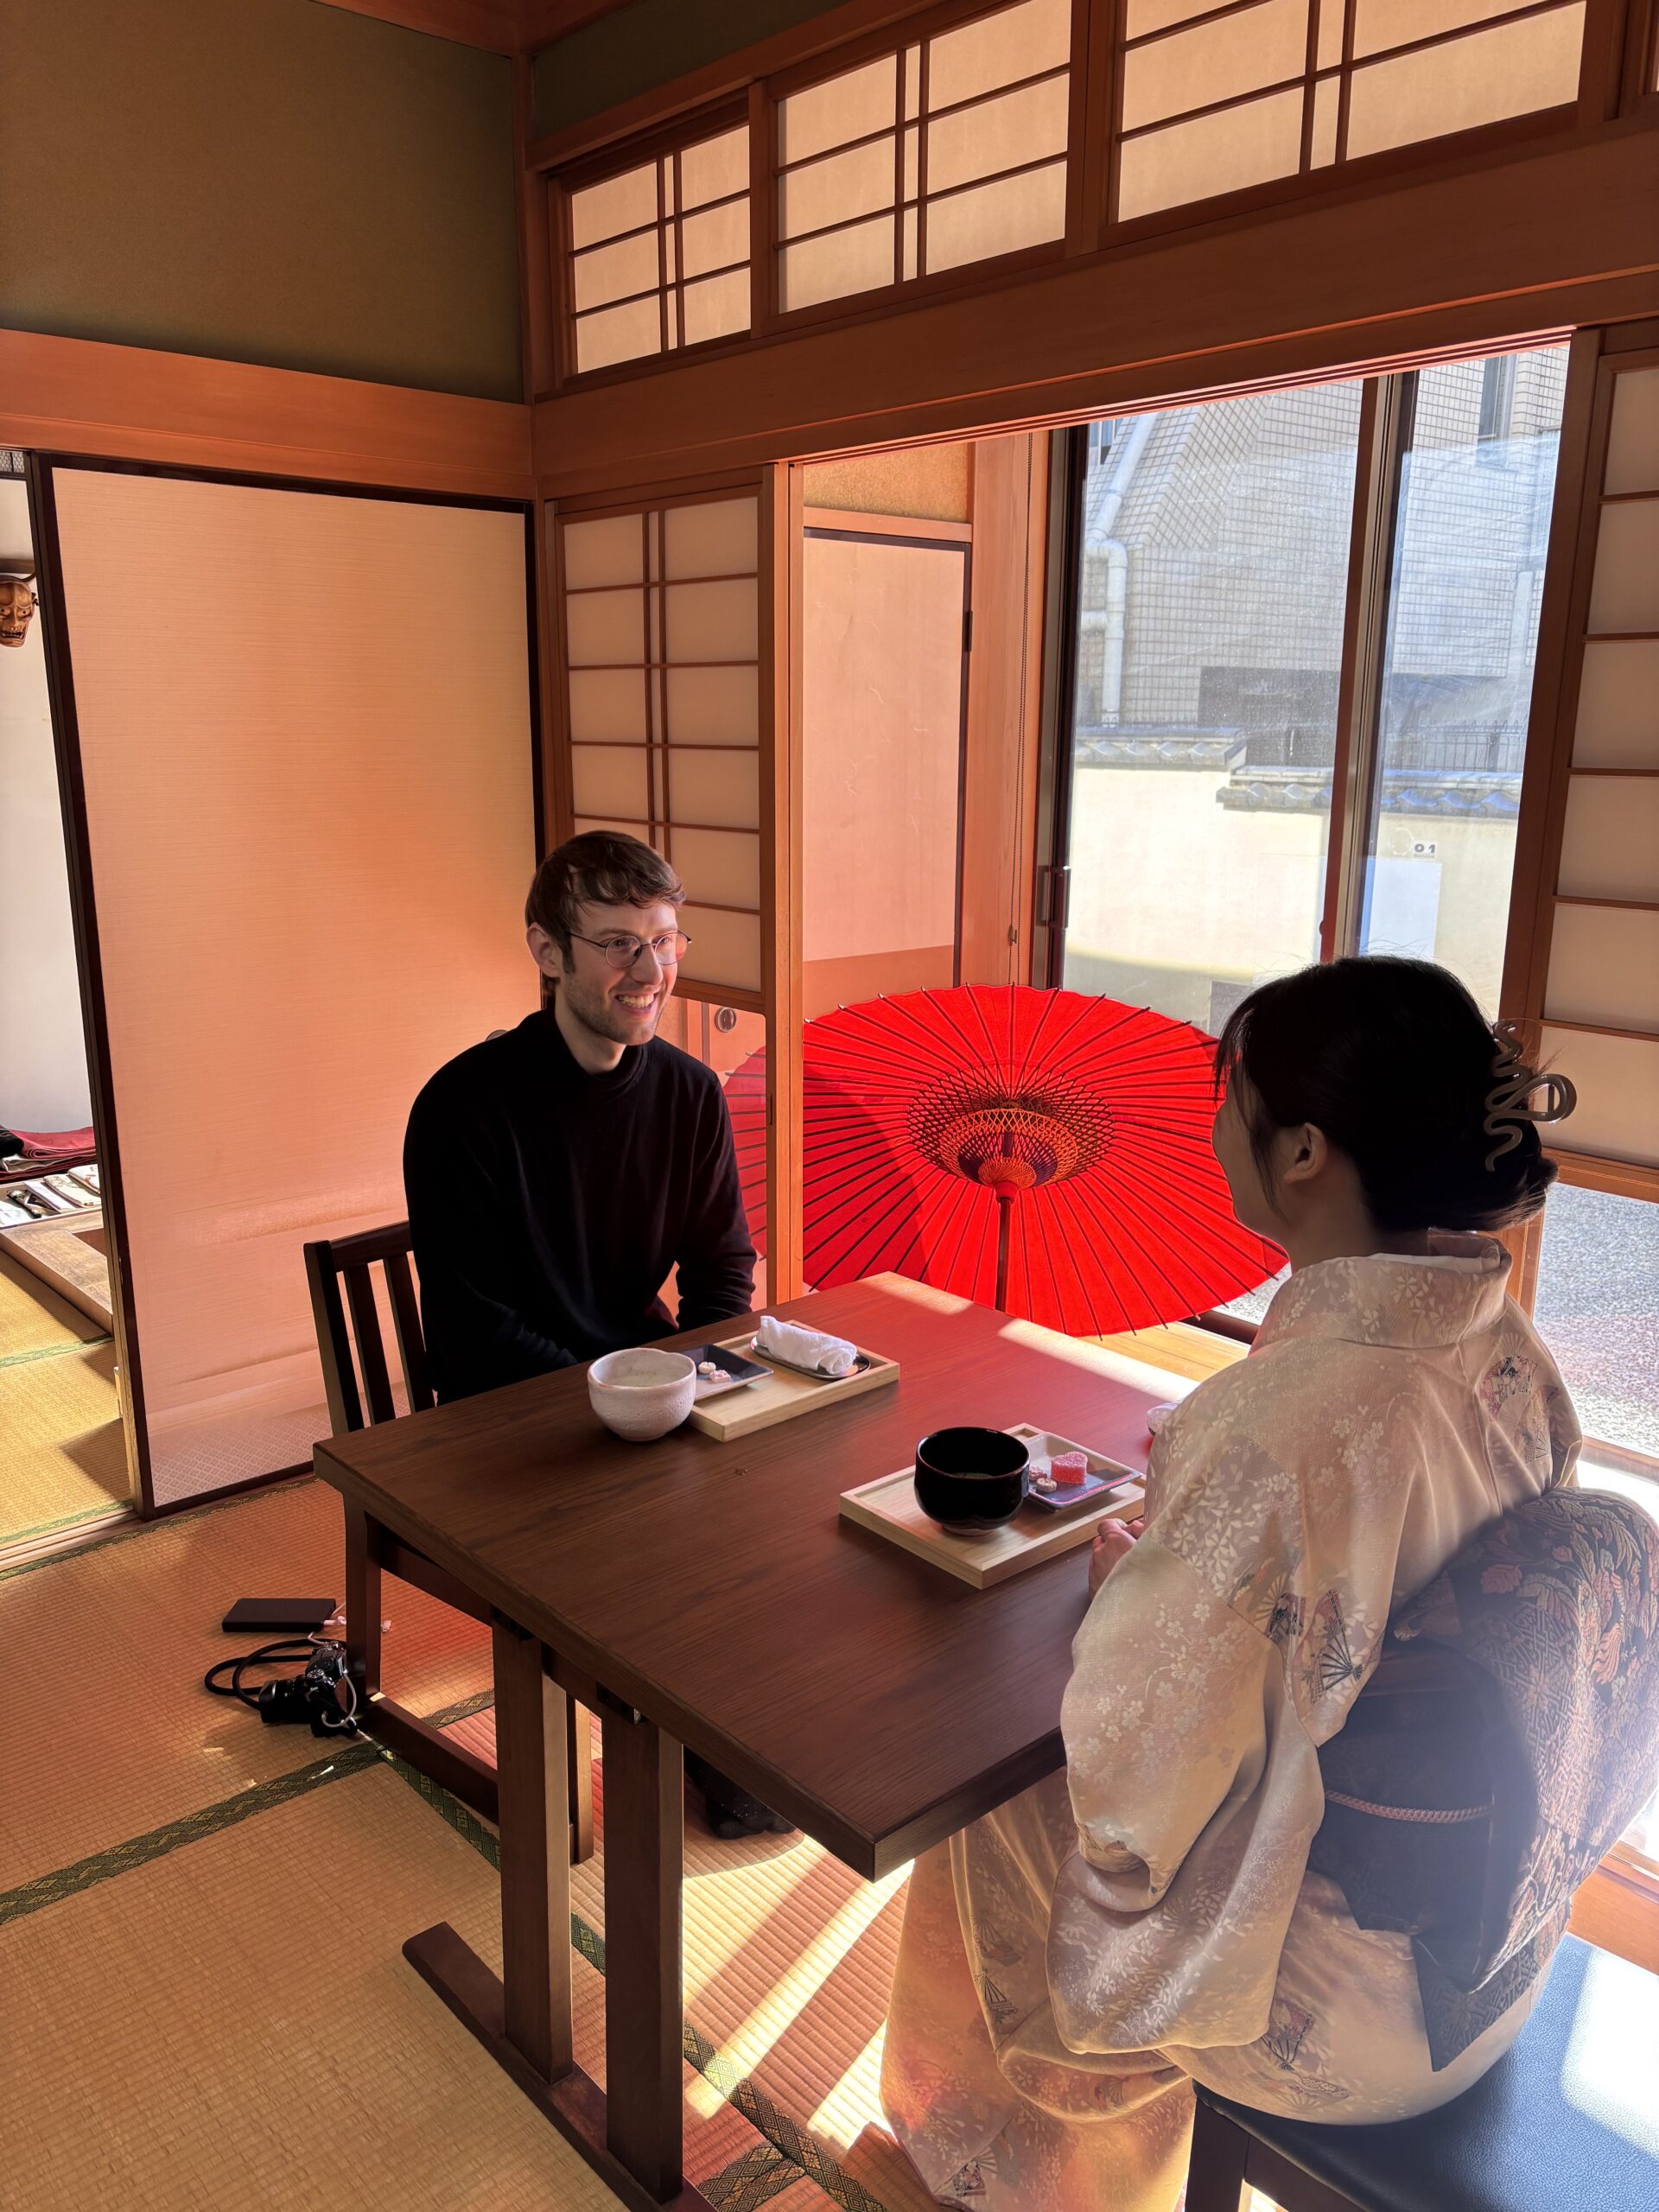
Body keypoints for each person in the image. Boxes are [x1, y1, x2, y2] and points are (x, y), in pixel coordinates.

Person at [879, 958, 1583, 2212]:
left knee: (983, 1804)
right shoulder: (1507, 1345)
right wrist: (1204, 1580)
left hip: (1340, 2013)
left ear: (1304, 1152)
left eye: (1228, 1096)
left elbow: (1147, 1777)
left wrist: (1132, 1606)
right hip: (1491, 1948)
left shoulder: (1279, 1426)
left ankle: (1018, 2172)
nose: (1212, 1129)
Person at [405, 830, 786, 1836]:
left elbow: (721, 1275)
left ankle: (739, 1727)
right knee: (646, 1538)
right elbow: (475, 1332)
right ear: (548, 951)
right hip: (507, 1417)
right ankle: (686, 1738)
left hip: (647, 1389)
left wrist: (700, 1382)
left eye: (664, 941)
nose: (650, 971)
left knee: (782, 1489)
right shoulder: (464, 1108)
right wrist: (626, 1401)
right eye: (618, 943)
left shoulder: (689, 1095)